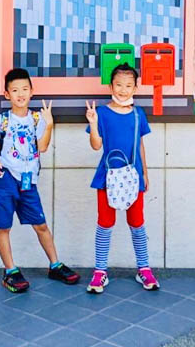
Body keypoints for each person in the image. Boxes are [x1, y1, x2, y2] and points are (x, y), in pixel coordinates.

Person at [0, 68, 79, 293]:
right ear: (7, 94)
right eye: (15, 90)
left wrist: (48, 124)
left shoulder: (38, 118)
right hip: (5, 178)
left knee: (40, 224)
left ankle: (55, 265)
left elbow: (43, 146)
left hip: (29, 180)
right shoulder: (1, 120)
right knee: (4, 226)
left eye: (25, 89)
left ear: (32, 92)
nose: (20, 94)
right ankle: (10, 271)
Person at [84, 63, 158, 294]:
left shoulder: (138, 114)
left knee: (137, 223)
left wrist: (145, 172)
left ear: (135, 88)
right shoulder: (102, 113)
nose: (123, 90)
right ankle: (100, 271)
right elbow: (96, 145)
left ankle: (144, 268)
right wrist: (93, 123)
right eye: (118, 85)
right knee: (105, 224)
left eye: (128, 85)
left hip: (133, 178)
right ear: (110, 86)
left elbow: (141, 144)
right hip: (107, 178)